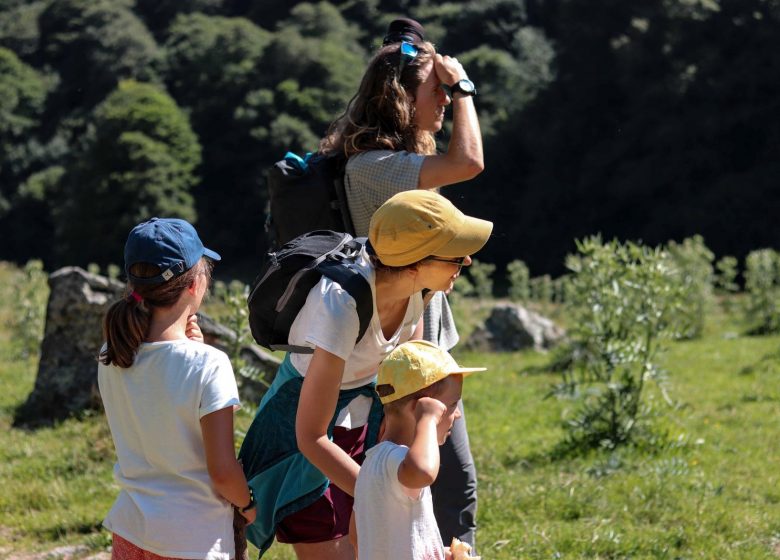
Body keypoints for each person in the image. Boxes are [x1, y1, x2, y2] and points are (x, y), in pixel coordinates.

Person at [239, 190, 493, 559]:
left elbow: (408, 385)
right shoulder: (340, 304)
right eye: (454, 255)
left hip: (361, 420)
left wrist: (396, 495)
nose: (467, 260)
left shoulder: (420, 291)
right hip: (305, 437)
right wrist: (383, 495)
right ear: (414, 263)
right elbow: (310, 436)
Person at [319, 17, 484, 549]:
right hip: (405, 356)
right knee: (441, 486)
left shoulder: (396, 162)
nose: (444, 100)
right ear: (402, 99)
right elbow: (470, 162)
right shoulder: (375, 166)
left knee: (450, 488)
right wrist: (465, 91)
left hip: (422, 345)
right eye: (435, 91)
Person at [97, 217, 256, 560]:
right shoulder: (209, 364)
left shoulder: (111, 354)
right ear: (194, 285)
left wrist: (189, 344)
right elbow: (224, 473)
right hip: (193, 542)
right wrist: (250, 505)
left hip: (132, 532)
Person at [353, 340, 486, 560]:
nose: (458, 414)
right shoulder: (400, 462)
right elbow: (424, 472)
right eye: (452, 405)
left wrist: (434, 553)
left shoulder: (371, 463)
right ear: (421, 407)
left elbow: (358, 535)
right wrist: (428, 420)